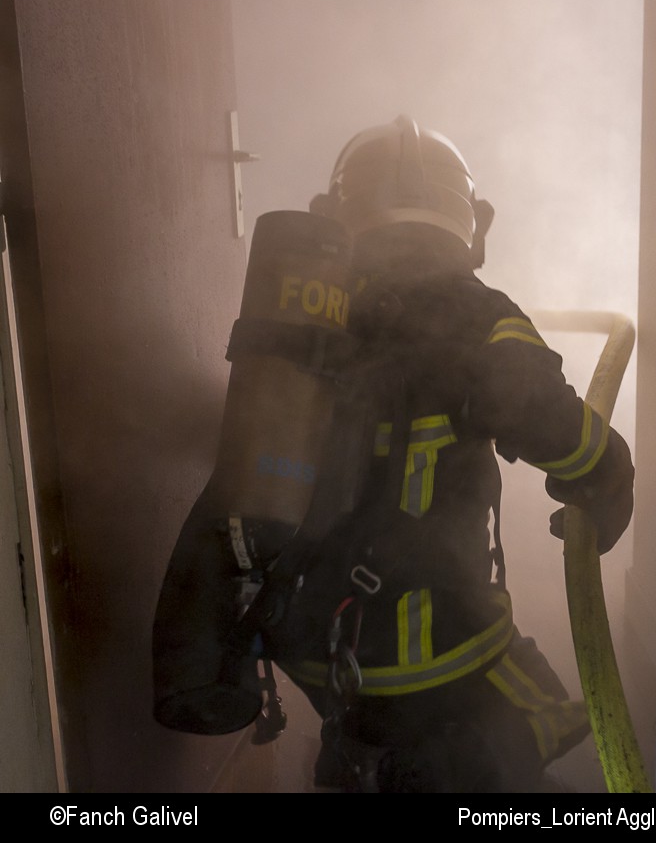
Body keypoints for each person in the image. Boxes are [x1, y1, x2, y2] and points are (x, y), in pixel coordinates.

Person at [254, 114, 636, 792]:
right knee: (540, 703)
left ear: (337, 217)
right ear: (471, 223)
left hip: (321, 658)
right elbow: (552, 425)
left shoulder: (304, 314)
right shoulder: (475, 316)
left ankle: (381, 769)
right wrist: (610, 472)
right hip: (441, 660)